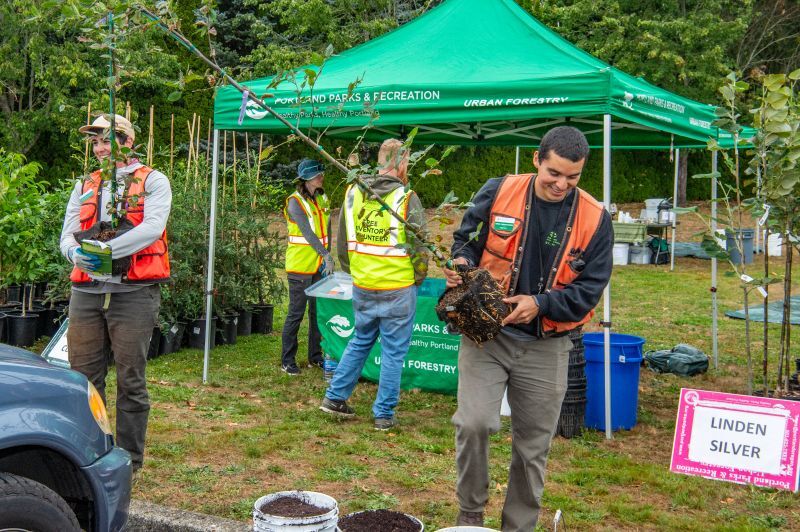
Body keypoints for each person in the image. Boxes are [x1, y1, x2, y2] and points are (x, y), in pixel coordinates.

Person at [442, 126, 613, 530]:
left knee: (533, 446)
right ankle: (470, 514)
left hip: (547, 345)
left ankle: (518, 526)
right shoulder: (499, 190)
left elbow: (590, 290)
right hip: (487, 335)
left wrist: (540, 304)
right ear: (537, 159)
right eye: (554, 173)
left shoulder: (595, 219)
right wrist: (462, 265)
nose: (561, 184)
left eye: (573, 177)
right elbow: (464, 241)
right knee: (474, 423)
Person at [61, 114, 172, 474]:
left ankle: (129, 461)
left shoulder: (153, 181)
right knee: (82, 378)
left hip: (134, 292)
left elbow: (153, 228)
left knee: (131, 378)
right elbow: (67, 234)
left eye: (106, 140)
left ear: (127, 142)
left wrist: (107, 251)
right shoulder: (86, 185)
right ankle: (88, 454)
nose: (99, 149)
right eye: (95, 142)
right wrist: (76, 254)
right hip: (88, 291)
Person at [320, 138, 429, 431]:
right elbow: (421, 247)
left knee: (360, 340)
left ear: (381, 161)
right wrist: (417, 278)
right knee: (393, 352)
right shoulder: (406, 198)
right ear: (402, 162)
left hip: (364, 283)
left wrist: (355, 272)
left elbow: (341, 241)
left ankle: (335, 397)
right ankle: (383, 414)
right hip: (398, 286)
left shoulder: (354, 192)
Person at [280, 158, 333, 375]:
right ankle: (287, 360)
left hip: (319, 265)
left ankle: (315, 356)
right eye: (318, 175)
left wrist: (327, 258)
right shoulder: (295, 202)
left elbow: (326, 229)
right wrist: (326, 254)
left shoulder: (322, 198)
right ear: (307, 179)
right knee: (296, 313)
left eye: (321, 174)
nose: (322, 177)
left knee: (317, 313)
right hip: (300, 266)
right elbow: (308, 233)